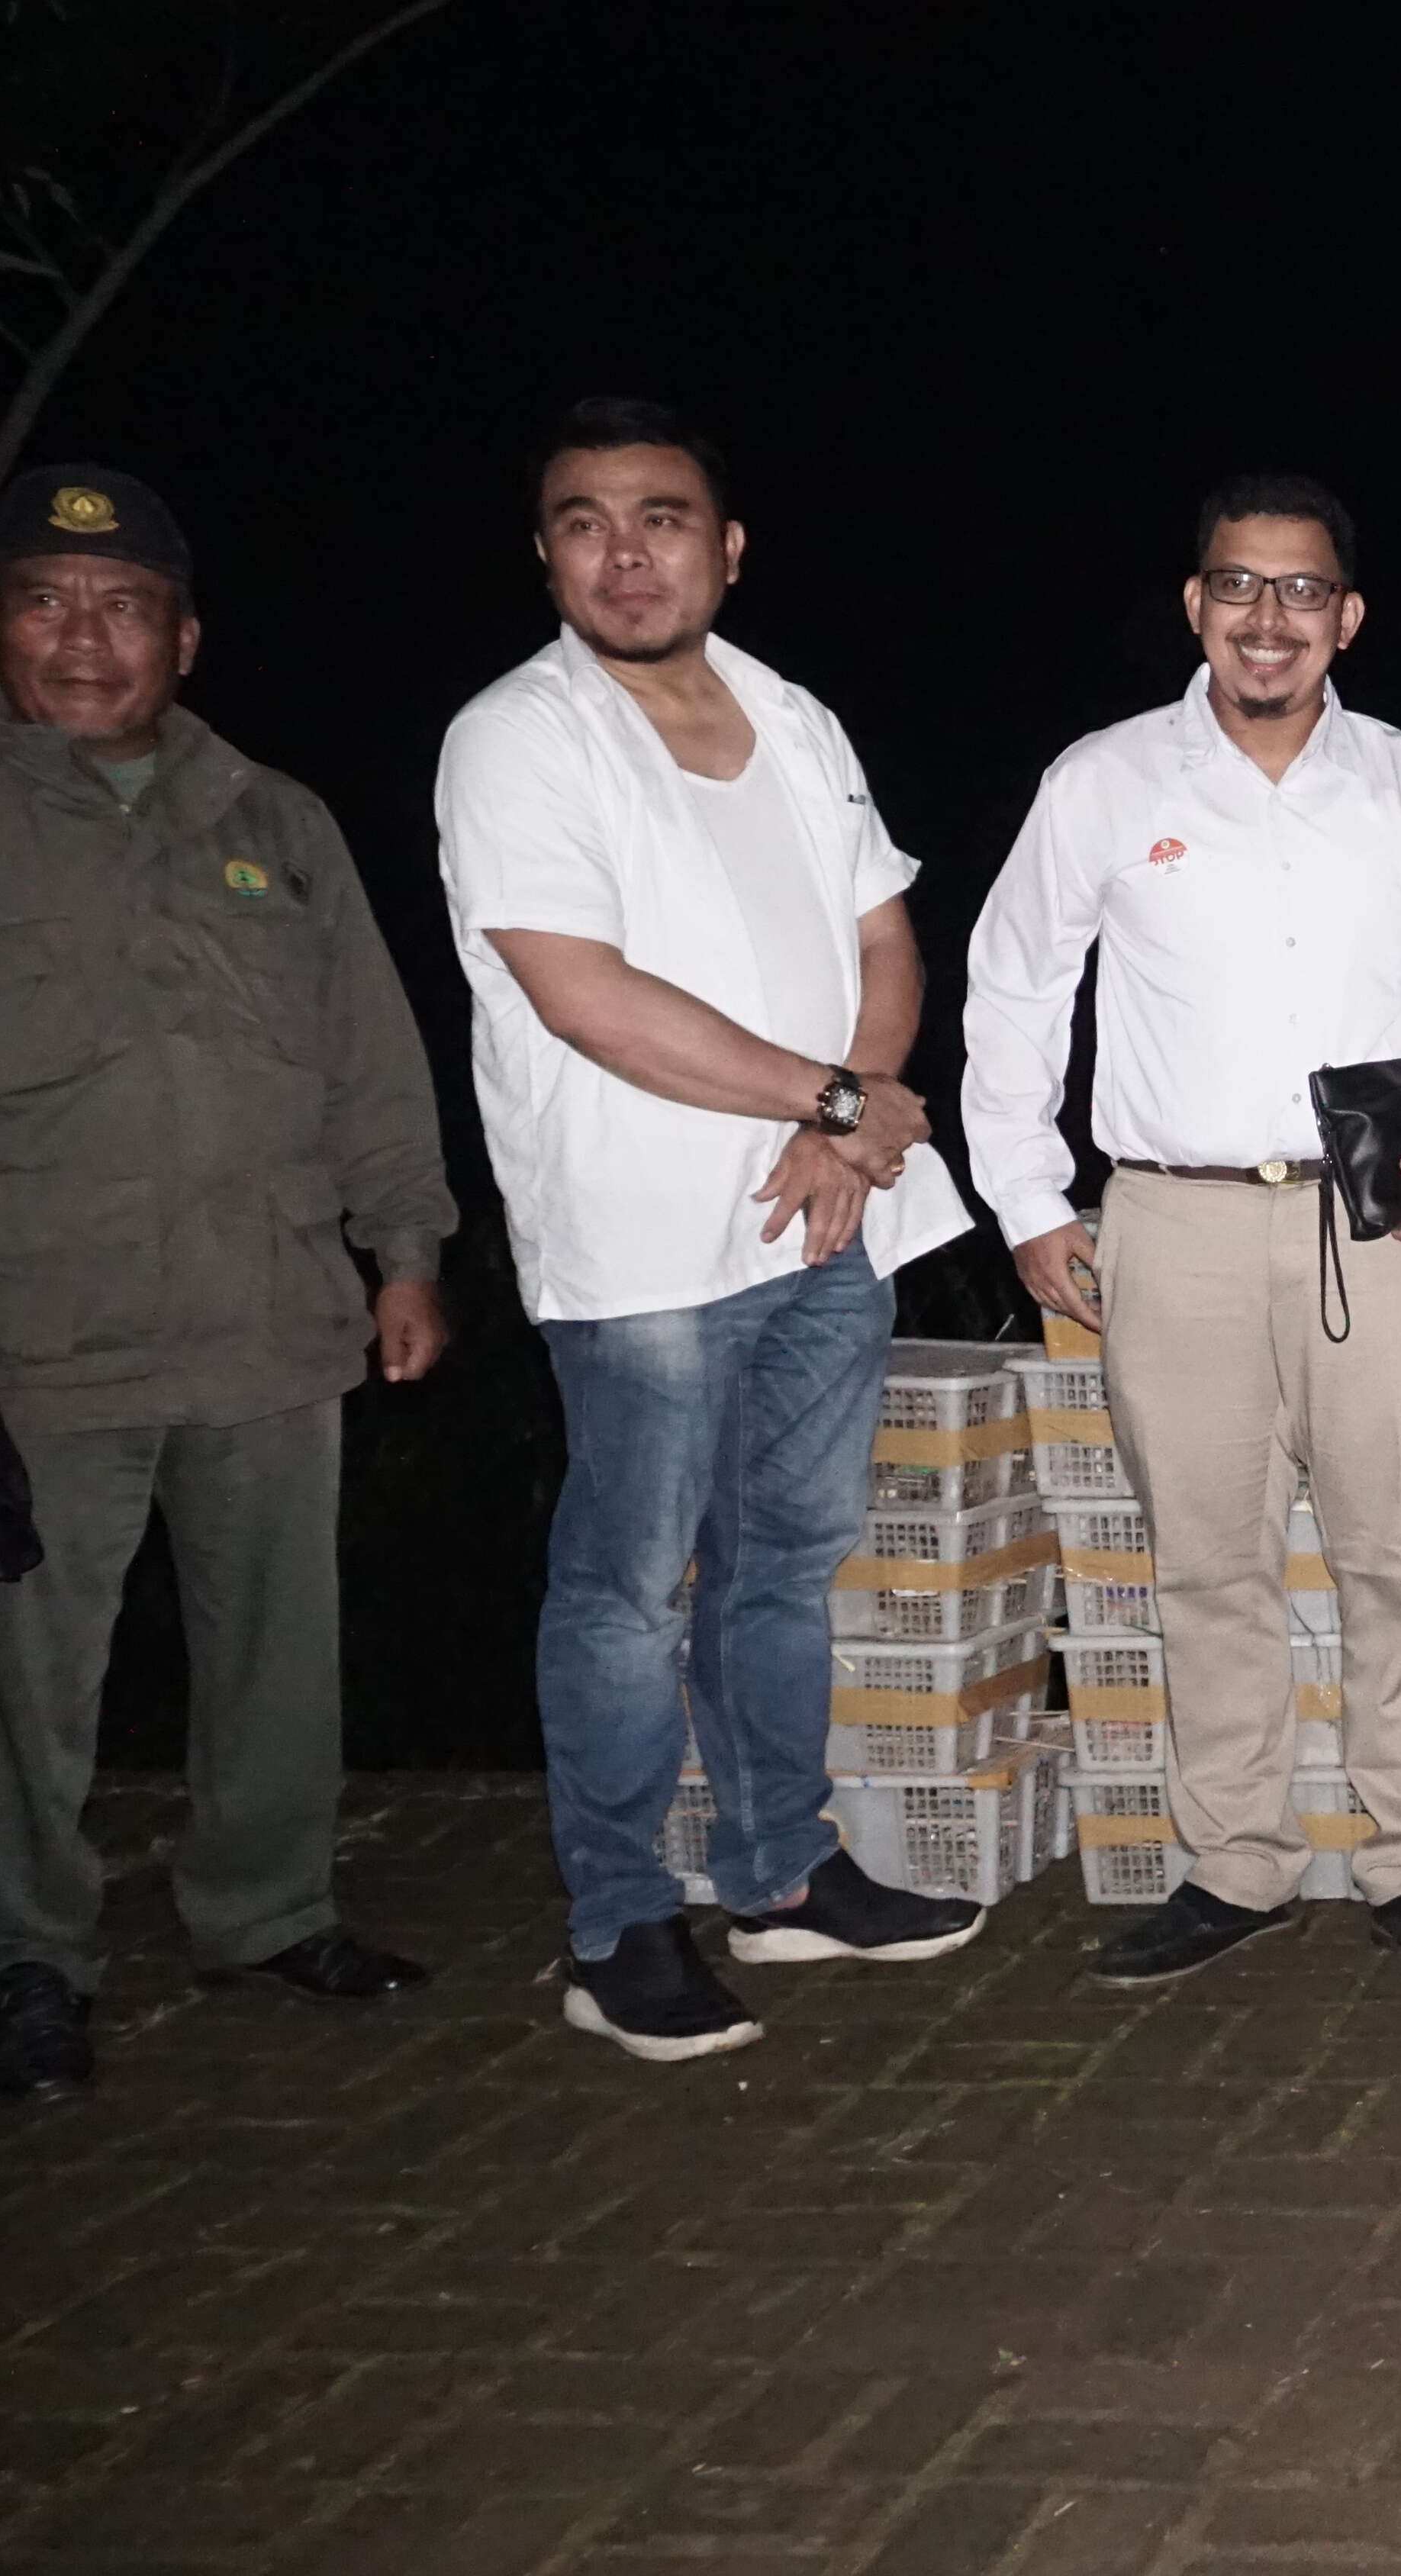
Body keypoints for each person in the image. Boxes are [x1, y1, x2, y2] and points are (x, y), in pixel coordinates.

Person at [967, 472, 1401, 1989]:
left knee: (1394, 1551)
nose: (1269, 618)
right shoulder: (1106, 782)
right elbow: (1016, 986)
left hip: (1379, 1220)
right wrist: (1030, 1200)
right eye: (1239, 585)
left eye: (1302, 592)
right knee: (1208, 1561)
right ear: (1194, 604)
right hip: (1171, 1217)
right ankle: (1232, 1864)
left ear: (1347, 618)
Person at [438, 400, 986, 2064]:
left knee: (783, 1569)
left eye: (662, 516)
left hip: (823, 1222)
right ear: (546, 554)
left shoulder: (791, 713)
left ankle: (781, 1872)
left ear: (725, 546)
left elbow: (885, 930)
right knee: (625, 1588)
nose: (626, 548)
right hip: (648, 1243)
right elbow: (587, 996)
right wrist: (835, 1106)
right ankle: (617, 1927)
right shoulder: (519, 737)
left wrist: (859, 1110)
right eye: (584, 520)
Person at [0, 465, 459, 2104]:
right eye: (47, 599)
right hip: (37, 1335)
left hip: (268, 1316)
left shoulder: (276, 817)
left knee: (276, 1646)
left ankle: (267, 1906)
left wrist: (407, 1248)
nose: (85, 636)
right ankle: (23, 1958)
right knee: (21, 1679)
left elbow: (372, 1058)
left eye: (123, 605)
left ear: (186, 635)